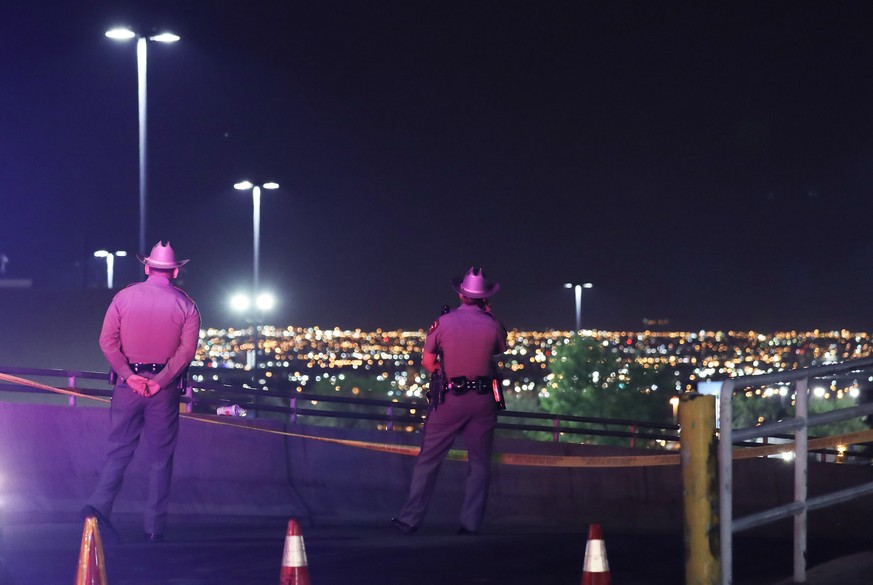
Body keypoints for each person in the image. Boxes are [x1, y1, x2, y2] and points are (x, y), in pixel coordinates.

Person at [81, 241, 200, 543]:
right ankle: (154, 528)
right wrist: (160, 380)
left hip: (126, 385)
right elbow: (186, 352)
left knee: (118, 450)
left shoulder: (123, 297)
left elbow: (107, 341)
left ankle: (98, 507)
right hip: (164, 390)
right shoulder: (187, 305)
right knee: (160, 459)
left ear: (147, 267)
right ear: (174, 271)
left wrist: (128, 376)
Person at [392, 267, 508, 535]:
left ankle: (410, 519)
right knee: (479, 463)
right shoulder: (492, 325)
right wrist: (489, 315)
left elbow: (428, 362)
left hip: (449, 399)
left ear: (461, 295)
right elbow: (502, 348)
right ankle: (470, 523)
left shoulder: (443, 322)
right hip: (482, 403)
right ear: (484, 298)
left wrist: (444, 372)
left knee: (429, 459)